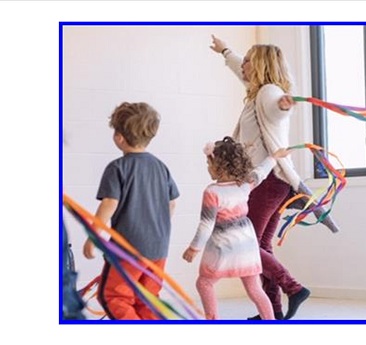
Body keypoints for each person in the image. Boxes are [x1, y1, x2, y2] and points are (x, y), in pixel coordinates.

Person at [209, 35, 340, 320]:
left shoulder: (269, 92)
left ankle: (293, 288)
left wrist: (283, 106)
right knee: (261, 246)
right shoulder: (258, 91)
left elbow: (275, 108)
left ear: (259, 66)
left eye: (246, 62)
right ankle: (273, 312)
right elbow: (244, 76)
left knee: (248, 245)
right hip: (273, 181)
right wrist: (225, 51)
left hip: (267, 180)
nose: (241, 65)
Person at [83, 101, 180, 320]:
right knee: (147, 298)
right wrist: (157, 229)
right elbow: (172, 203)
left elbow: (109, 203)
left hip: (129, 248)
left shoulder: (117, 168)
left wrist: (93, 236)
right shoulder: (160, 166)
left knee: (112, 296)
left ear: (119, 137)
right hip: (159, 246)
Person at [182, 136, 291, 320]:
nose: (208, 168)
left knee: (204, 283)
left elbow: (206, 224)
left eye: (210, 164)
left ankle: (212, 320)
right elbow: (260, 173)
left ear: (220, 166)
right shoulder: (244, 185)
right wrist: (274, 157)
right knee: (255, 289)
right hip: (246, 248)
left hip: (223, 248)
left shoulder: (212, 192)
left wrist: (194, 248)